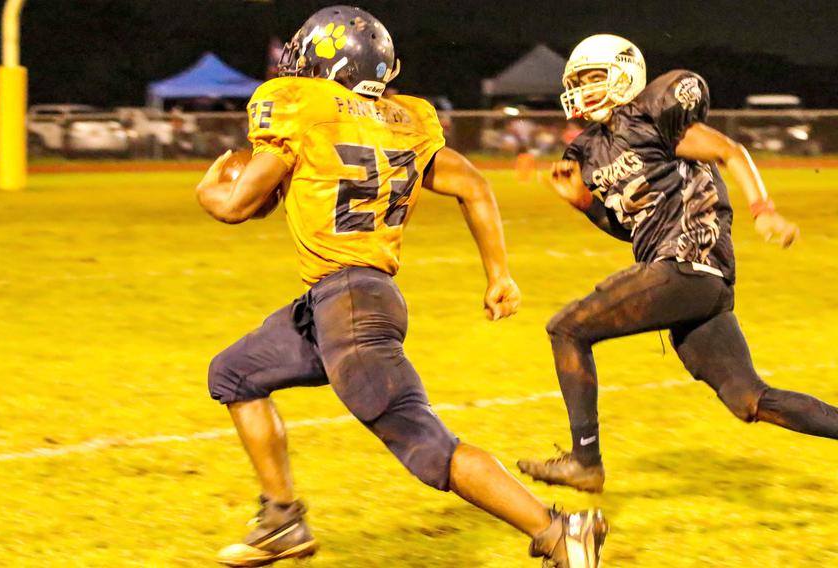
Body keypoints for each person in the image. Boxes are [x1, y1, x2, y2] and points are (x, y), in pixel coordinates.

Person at [194, 6, 607, 567]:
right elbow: (474, 185)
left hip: (350, 308)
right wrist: (499, 273)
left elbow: (239, 204)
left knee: (426, 445)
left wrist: (210, 193)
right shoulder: (404, 121)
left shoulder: (304, 110)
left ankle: (559, 530)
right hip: (347, 301)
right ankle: (282, 520)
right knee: (235, 373)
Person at [517, 34, 838, 493]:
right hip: (684, 280)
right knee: (749, 399)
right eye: (578, 81)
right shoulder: (591, 151)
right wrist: (586, 206)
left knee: (566, 329)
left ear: (626, 74)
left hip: (689, 263)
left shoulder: (654, 114)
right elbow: (634, 229)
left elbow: (729, 151)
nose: (583, 88)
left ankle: (585, 461)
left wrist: (763, 210)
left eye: (594, 77)